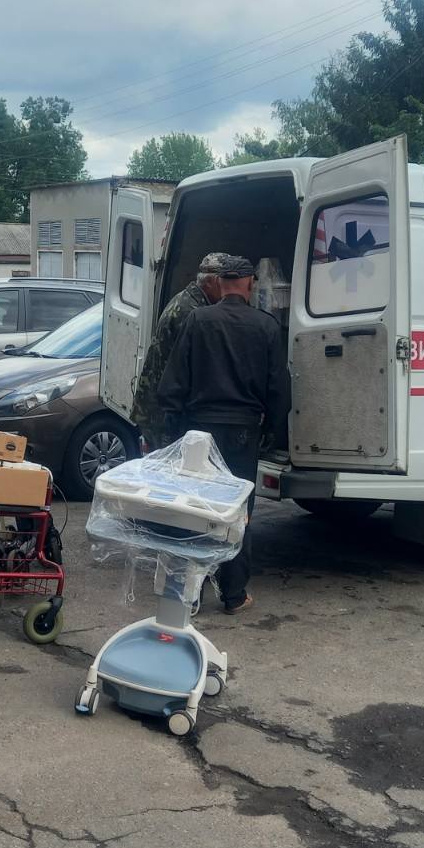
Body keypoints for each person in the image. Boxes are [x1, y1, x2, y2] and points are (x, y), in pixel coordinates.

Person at [156, 254, 288, 615]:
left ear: (221, 283)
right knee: (236, 511)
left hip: (199, 431)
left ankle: (190, 595)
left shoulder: (198, 320)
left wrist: (174, 428)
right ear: (249, 285)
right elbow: (278, 388)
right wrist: (272, 432)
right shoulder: (266, 326)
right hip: (243, 433)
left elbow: (173, 381)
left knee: (195, 510)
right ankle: (233, 594)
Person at [130, 252, 233, 448]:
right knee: (170, 463)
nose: (228, 289)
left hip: (157, 408)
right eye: (225, 283)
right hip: (162, 414)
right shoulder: (191, 312)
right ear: (212, 282)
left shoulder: (189, 300)